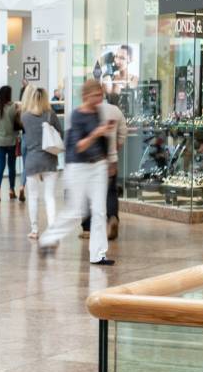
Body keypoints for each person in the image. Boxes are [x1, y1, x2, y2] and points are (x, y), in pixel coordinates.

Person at [39, 79, 115, 266]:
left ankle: (98, 254)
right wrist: (98, 132)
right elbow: (79, 146)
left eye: (100, 95)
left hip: (97, 166)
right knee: (76, 211)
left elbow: (99, 141)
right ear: (85, 96)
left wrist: (108, 159)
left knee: (99, 211)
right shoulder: (77, 115)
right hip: (78, 167)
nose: (99, 99)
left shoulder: (98, 112)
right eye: (95, 96)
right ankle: (48, 238)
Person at [81, 93, 127, 241]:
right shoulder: (116, 111)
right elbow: (122, 134)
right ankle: (112, 217)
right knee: (110, 191)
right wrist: (114, 150)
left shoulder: (87, 111)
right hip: (110, 159)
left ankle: (88, 227)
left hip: (90, 160)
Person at [20, 88, 63, 240]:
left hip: (32, 161)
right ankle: (52, 230)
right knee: (49, 197)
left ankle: (34, 230)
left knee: (32, 196)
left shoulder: (24, 117)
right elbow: (60, 133)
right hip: (49, 160)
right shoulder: (51, 115)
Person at [0, 85, 20, 202]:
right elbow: (17, 123)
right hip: (11, 141)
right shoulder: (13, 107)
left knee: (0, 166)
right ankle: (11, 190)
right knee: (11, 167)